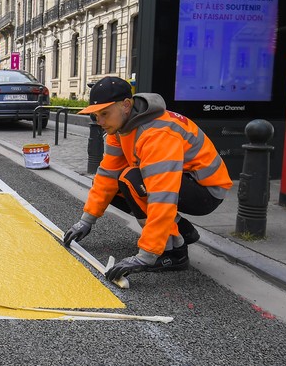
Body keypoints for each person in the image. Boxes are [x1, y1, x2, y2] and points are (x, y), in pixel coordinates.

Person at [62, 76, 232, 282]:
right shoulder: (120, 127)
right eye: (96, 116)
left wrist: (145, 256)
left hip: (206, 191)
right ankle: (183, 231)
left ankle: (174, 253)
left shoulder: (157, 134)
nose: (100, 122)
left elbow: (163, 196)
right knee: (116, 182)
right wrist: (86, 221)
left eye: (104, 114)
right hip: (182, 182)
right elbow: (107, 175)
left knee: (131, 179)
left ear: (126, 105)